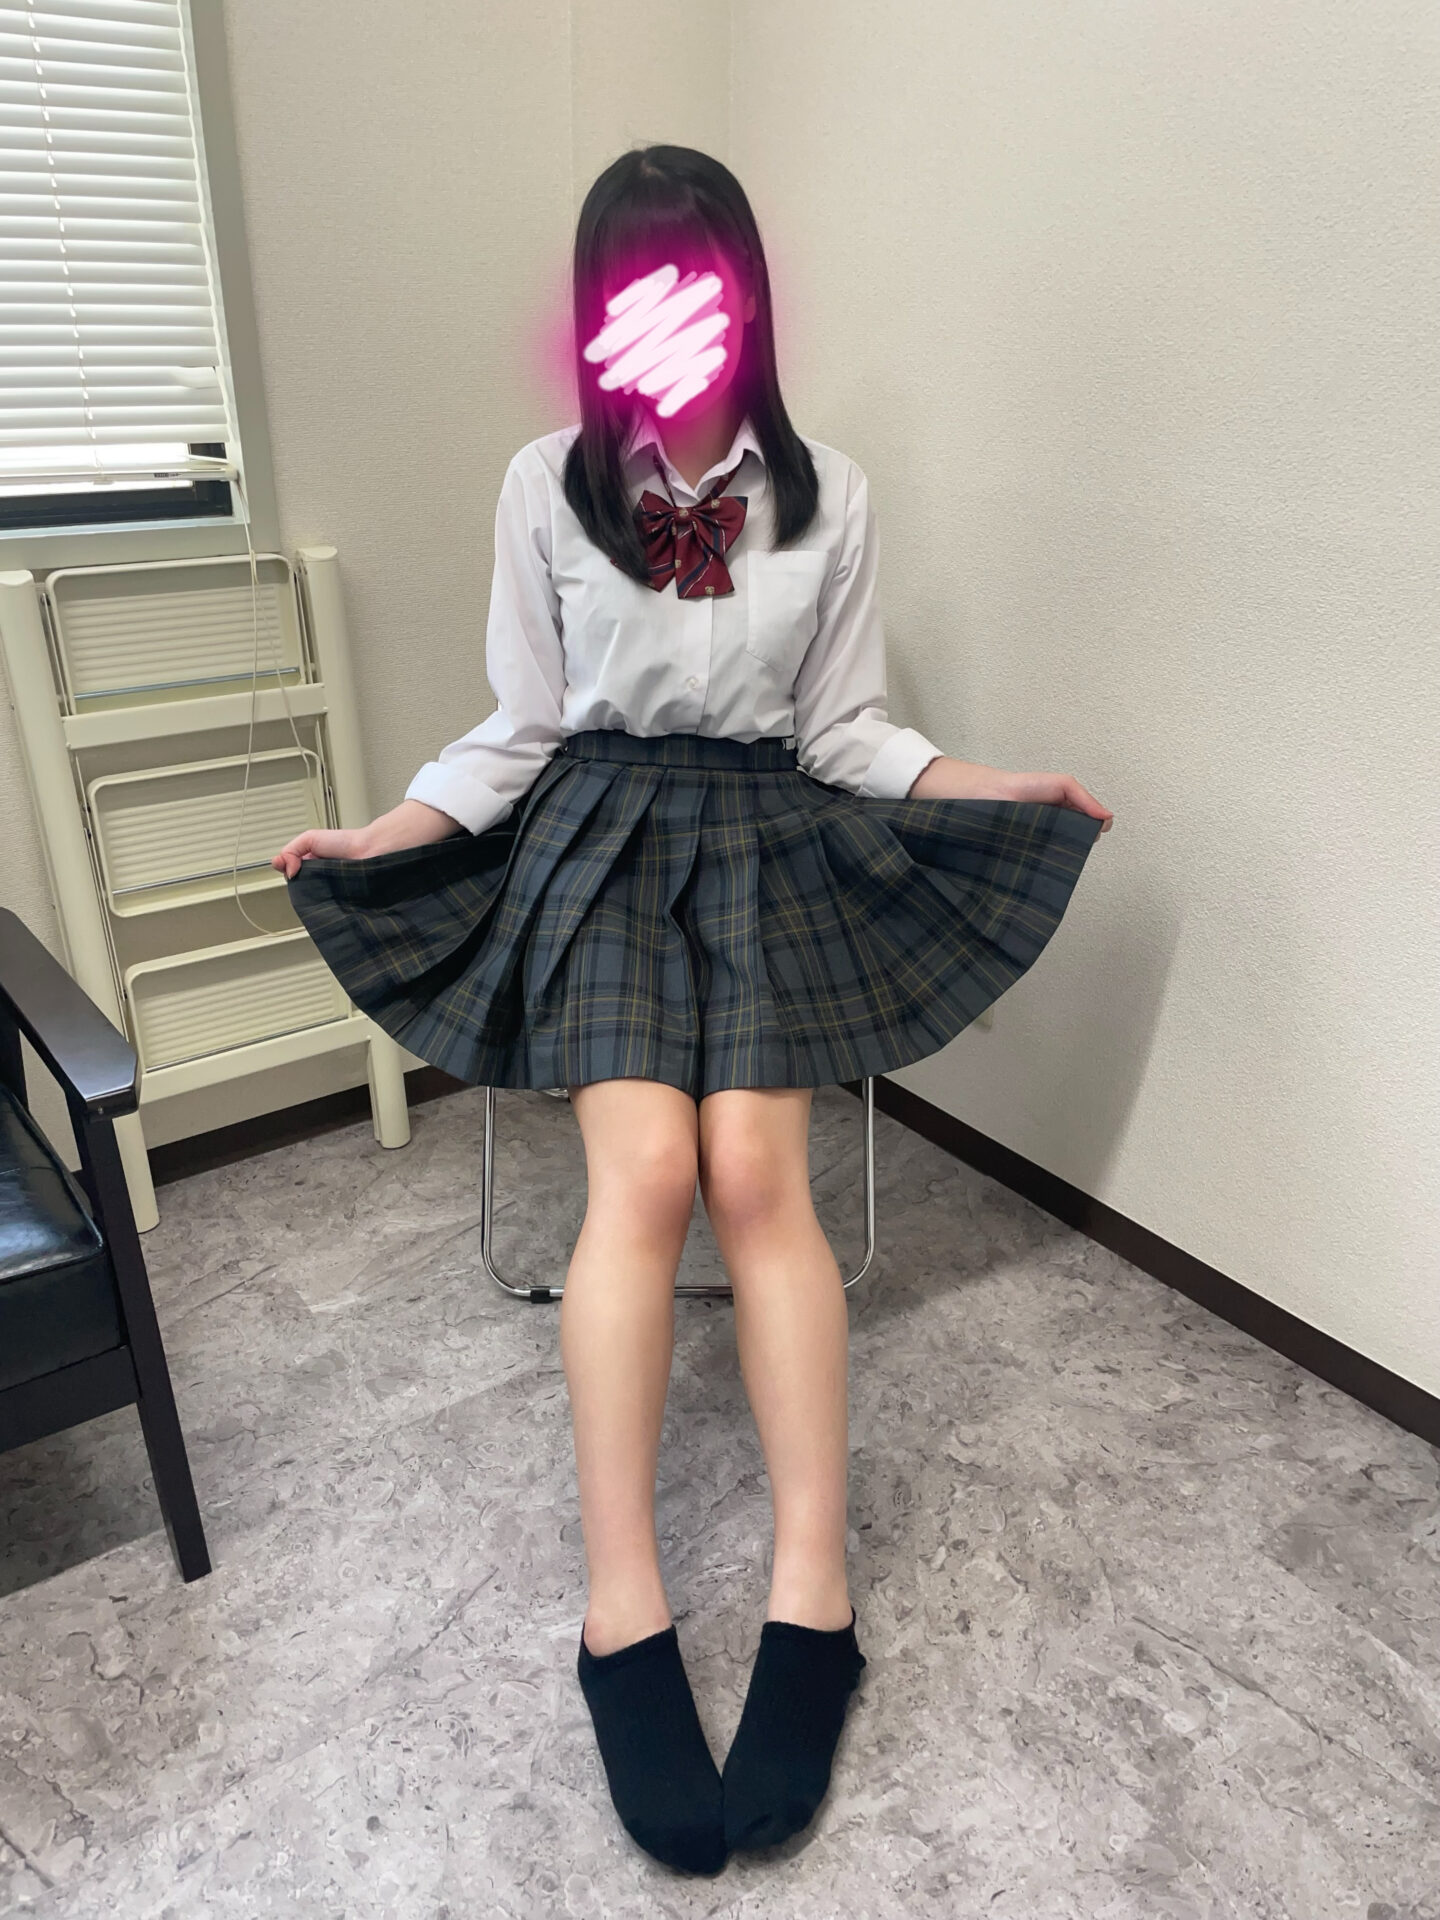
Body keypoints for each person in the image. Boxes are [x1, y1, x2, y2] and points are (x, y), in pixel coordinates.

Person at [274, 144, 1112, 1878]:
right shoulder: (544, 485)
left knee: (754, 1176)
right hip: (598, 834)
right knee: (647, 1175)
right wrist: (387, 831)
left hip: (765, 838)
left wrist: (992, 786)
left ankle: (816, 1594)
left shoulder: (830, 494)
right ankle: (621, 1608)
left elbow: (846, 730)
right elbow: (520, 725)